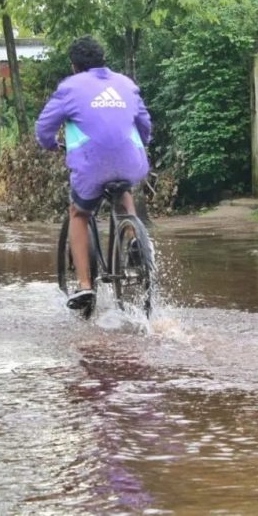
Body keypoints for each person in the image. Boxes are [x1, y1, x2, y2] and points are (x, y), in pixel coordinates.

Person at [35, 36, 152, 310]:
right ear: (103, 61)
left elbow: (43, 129)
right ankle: (135, 240)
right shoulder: (126, 84)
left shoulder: (70, 88)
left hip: (91, 164)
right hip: (131, 161)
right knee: (123, 191)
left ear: (74, 66)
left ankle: (85, 286)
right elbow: (145, 125)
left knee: (79, 213)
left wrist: (51, 145)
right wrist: (139, 145)